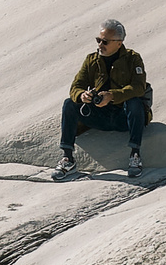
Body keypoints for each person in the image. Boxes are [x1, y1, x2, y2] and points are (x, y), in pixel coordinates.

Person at [59, 18, 148, 176]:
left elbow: (139, 87)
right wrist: (82, 95)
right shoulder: (91, 60)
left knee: (135, 103)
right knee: (69, 104)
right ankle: (67, 158)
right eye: (98, 40)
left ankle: (135, 155)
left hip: (123, 117)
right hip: (99, 115)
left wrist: (112, 95)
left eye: (105, 42)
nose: (100, 45)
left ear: (119, 43)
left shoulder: (133, 59)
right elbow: (75, 87)